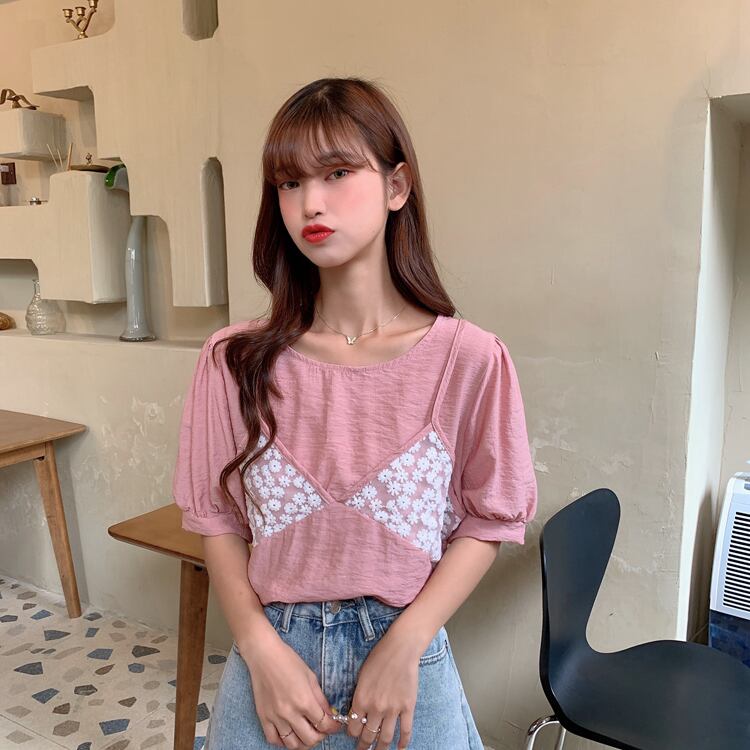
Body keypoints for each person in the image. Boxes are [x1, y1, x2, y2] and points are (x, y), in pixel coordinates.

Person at [172, 76, 538, 750]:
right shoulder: (233, 359)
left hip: (405, 671)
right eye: (289, 182)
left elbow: (491, 518)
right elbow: (216, 520)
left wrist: (409, 641)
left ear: (397, 187)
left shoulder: (470, 359)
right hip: (271, 670)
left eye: (338, 172)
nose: (310, 202)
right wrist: (258, 646)